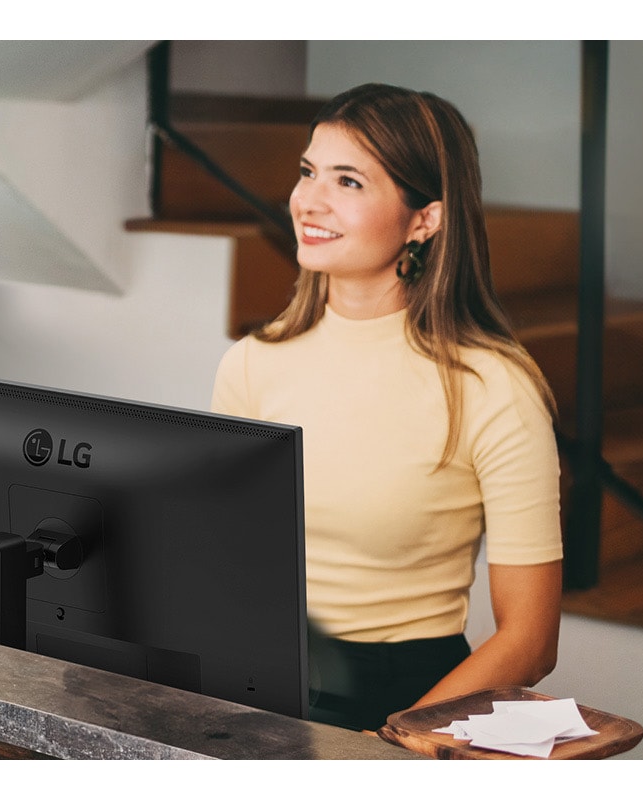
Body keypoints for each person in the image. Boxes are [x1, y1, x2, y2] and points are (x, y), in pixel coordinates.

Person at [210, 83, 564, 732]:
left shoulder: (494, 387)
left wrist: (393, 741)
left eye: (348, 182)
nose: (308, 200)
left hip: (410, 704)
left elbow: (532, 641)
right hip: (261, 686)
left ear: (424, 219)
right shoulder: (253, 362)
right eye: (308, 171)